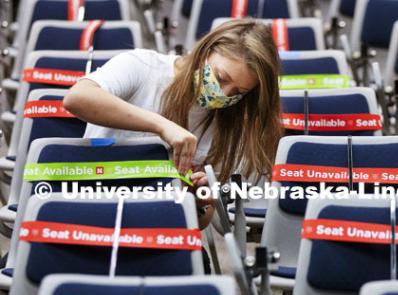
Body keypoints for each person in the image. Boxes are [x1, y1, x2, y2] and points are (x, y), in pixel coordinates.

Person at [64, 18, 283, 232]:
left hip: (157, 228)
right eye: (221, 78)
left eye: (238, 93)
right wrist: (162, 126)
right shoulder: (143, 66)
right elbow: (77, 98)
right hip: (91, 207)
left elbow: (200, 222)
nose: (224, 95)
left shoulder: (230, 120)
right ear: (205, 52)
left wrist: (198, 201)